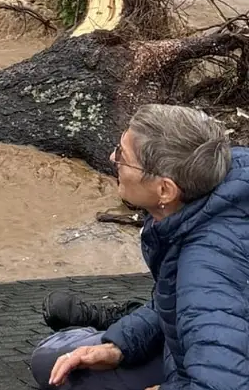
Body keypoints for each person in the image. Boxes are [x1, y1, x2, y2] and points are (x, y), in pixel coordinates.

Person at [29, 103, 249, 390]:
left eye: (123, 155)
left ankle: (116, 319)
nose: (112, 158)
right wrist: (120, 345)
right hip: (209, 350)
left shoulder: (206, 265)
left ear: (165, 190)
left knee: (59, 368)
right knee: (52, 361)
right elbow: (183, 301)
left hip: (214, 366)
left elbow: (222, 381)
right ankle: (121, 321)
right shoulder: (222, 184)